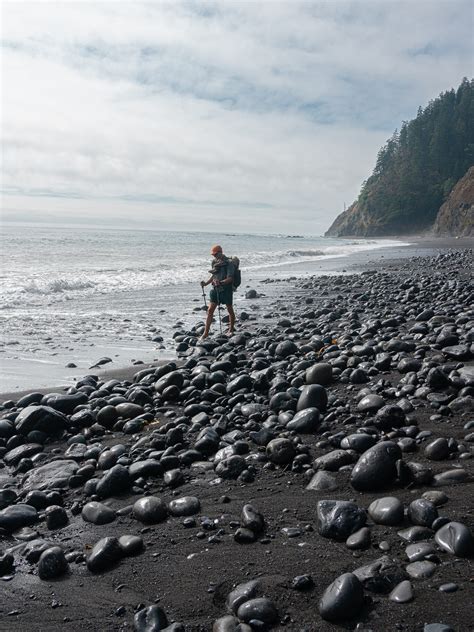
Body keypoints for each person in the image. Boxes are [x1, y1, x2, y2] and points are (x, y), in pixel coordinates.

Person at [200, 244, 235, 338]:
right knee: (210, 310)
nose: (214, 256)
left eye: (215, 254)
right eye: (213, 255)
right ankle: (205, 333)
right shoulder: (214, 262)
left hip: (226, 289)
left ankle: (231, 329)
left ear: (220, 252)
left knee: (229, 309)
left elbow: (230, 278)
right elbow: (213, 276)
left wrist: (221, 282)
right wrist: (205, 283)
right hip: (215, 289)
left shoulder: (229, 263)